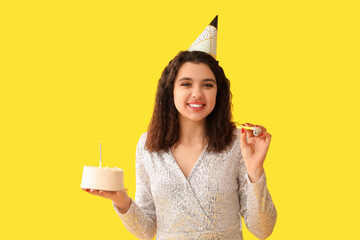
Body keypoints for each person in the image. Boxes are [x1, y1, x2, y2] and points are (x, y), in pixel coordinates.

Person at [83, 50, 277, 239]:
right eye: (186, 84)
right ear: (170, 90)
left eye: (208, 85)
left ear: (218, 92)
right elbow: (147, 231)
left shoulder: (238, 143)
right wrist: (120, 200)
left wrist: (255, 170)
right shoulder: (147, 145)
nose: (197, 93)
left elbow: (263, 229)